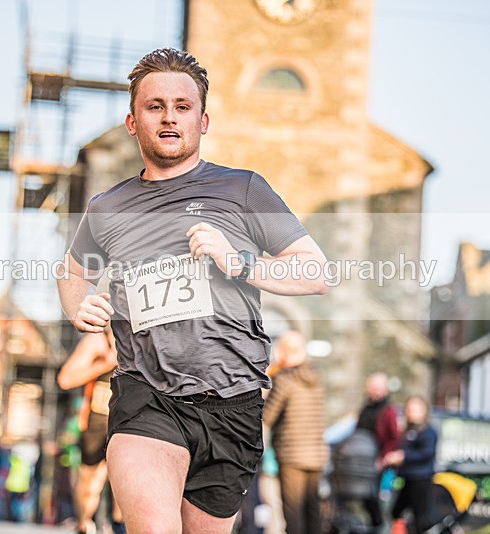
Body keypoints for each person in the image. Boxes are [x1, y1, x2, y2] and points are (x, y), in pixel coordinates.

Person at [57, 47, 328, 533]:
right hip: (146, 395)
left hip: (234, 403)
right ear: (132, 121)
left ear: (203, 122)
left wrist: (238, 262)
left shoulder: (244, 189)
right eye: (154, 105)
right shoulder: (107, 207)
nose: (169, 117)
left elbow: (315, 273)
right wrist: (79, 305)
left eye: (183, 107)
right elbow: (71, 271)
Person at [57, 328, 124, 534]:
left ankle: (119, 526)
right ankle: (84, 523)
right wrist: (105, 363)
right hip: (97, 418)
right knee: (91, 481)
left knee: (125, 477)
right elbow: (65, 379)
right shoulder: (97, 342)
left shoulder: (140, 339)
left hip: (125, 418)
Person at [263, 331, 328, 534]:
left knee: (293, 513)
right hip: (316, 455)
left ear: (283, 352)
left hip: (292, 455)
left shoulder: (284, 379)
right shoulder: (315, 378)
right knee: (312, 509)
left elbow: (267, 416)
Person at [383, 395, 438, 534]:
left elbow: (426, 453)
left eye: (416, 409)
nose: (413, 412)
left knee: (420, 518)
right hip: (405, 478)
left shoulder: (428, 432)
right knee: (396, 511)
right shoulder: (407, 431)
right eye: (410, 409)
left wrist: (404, 456)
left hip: (421, 479)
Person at [355, 372, 399, 529]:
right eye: (373, 388)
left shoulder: (388, 411)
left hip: (378, 462)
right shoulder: (366, 408)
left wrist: (383, 458)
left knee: (374, 499)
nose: (376, 391)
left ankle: (379, 527)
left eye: (379, 388)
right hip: (362, 460)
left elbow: (394, 438)